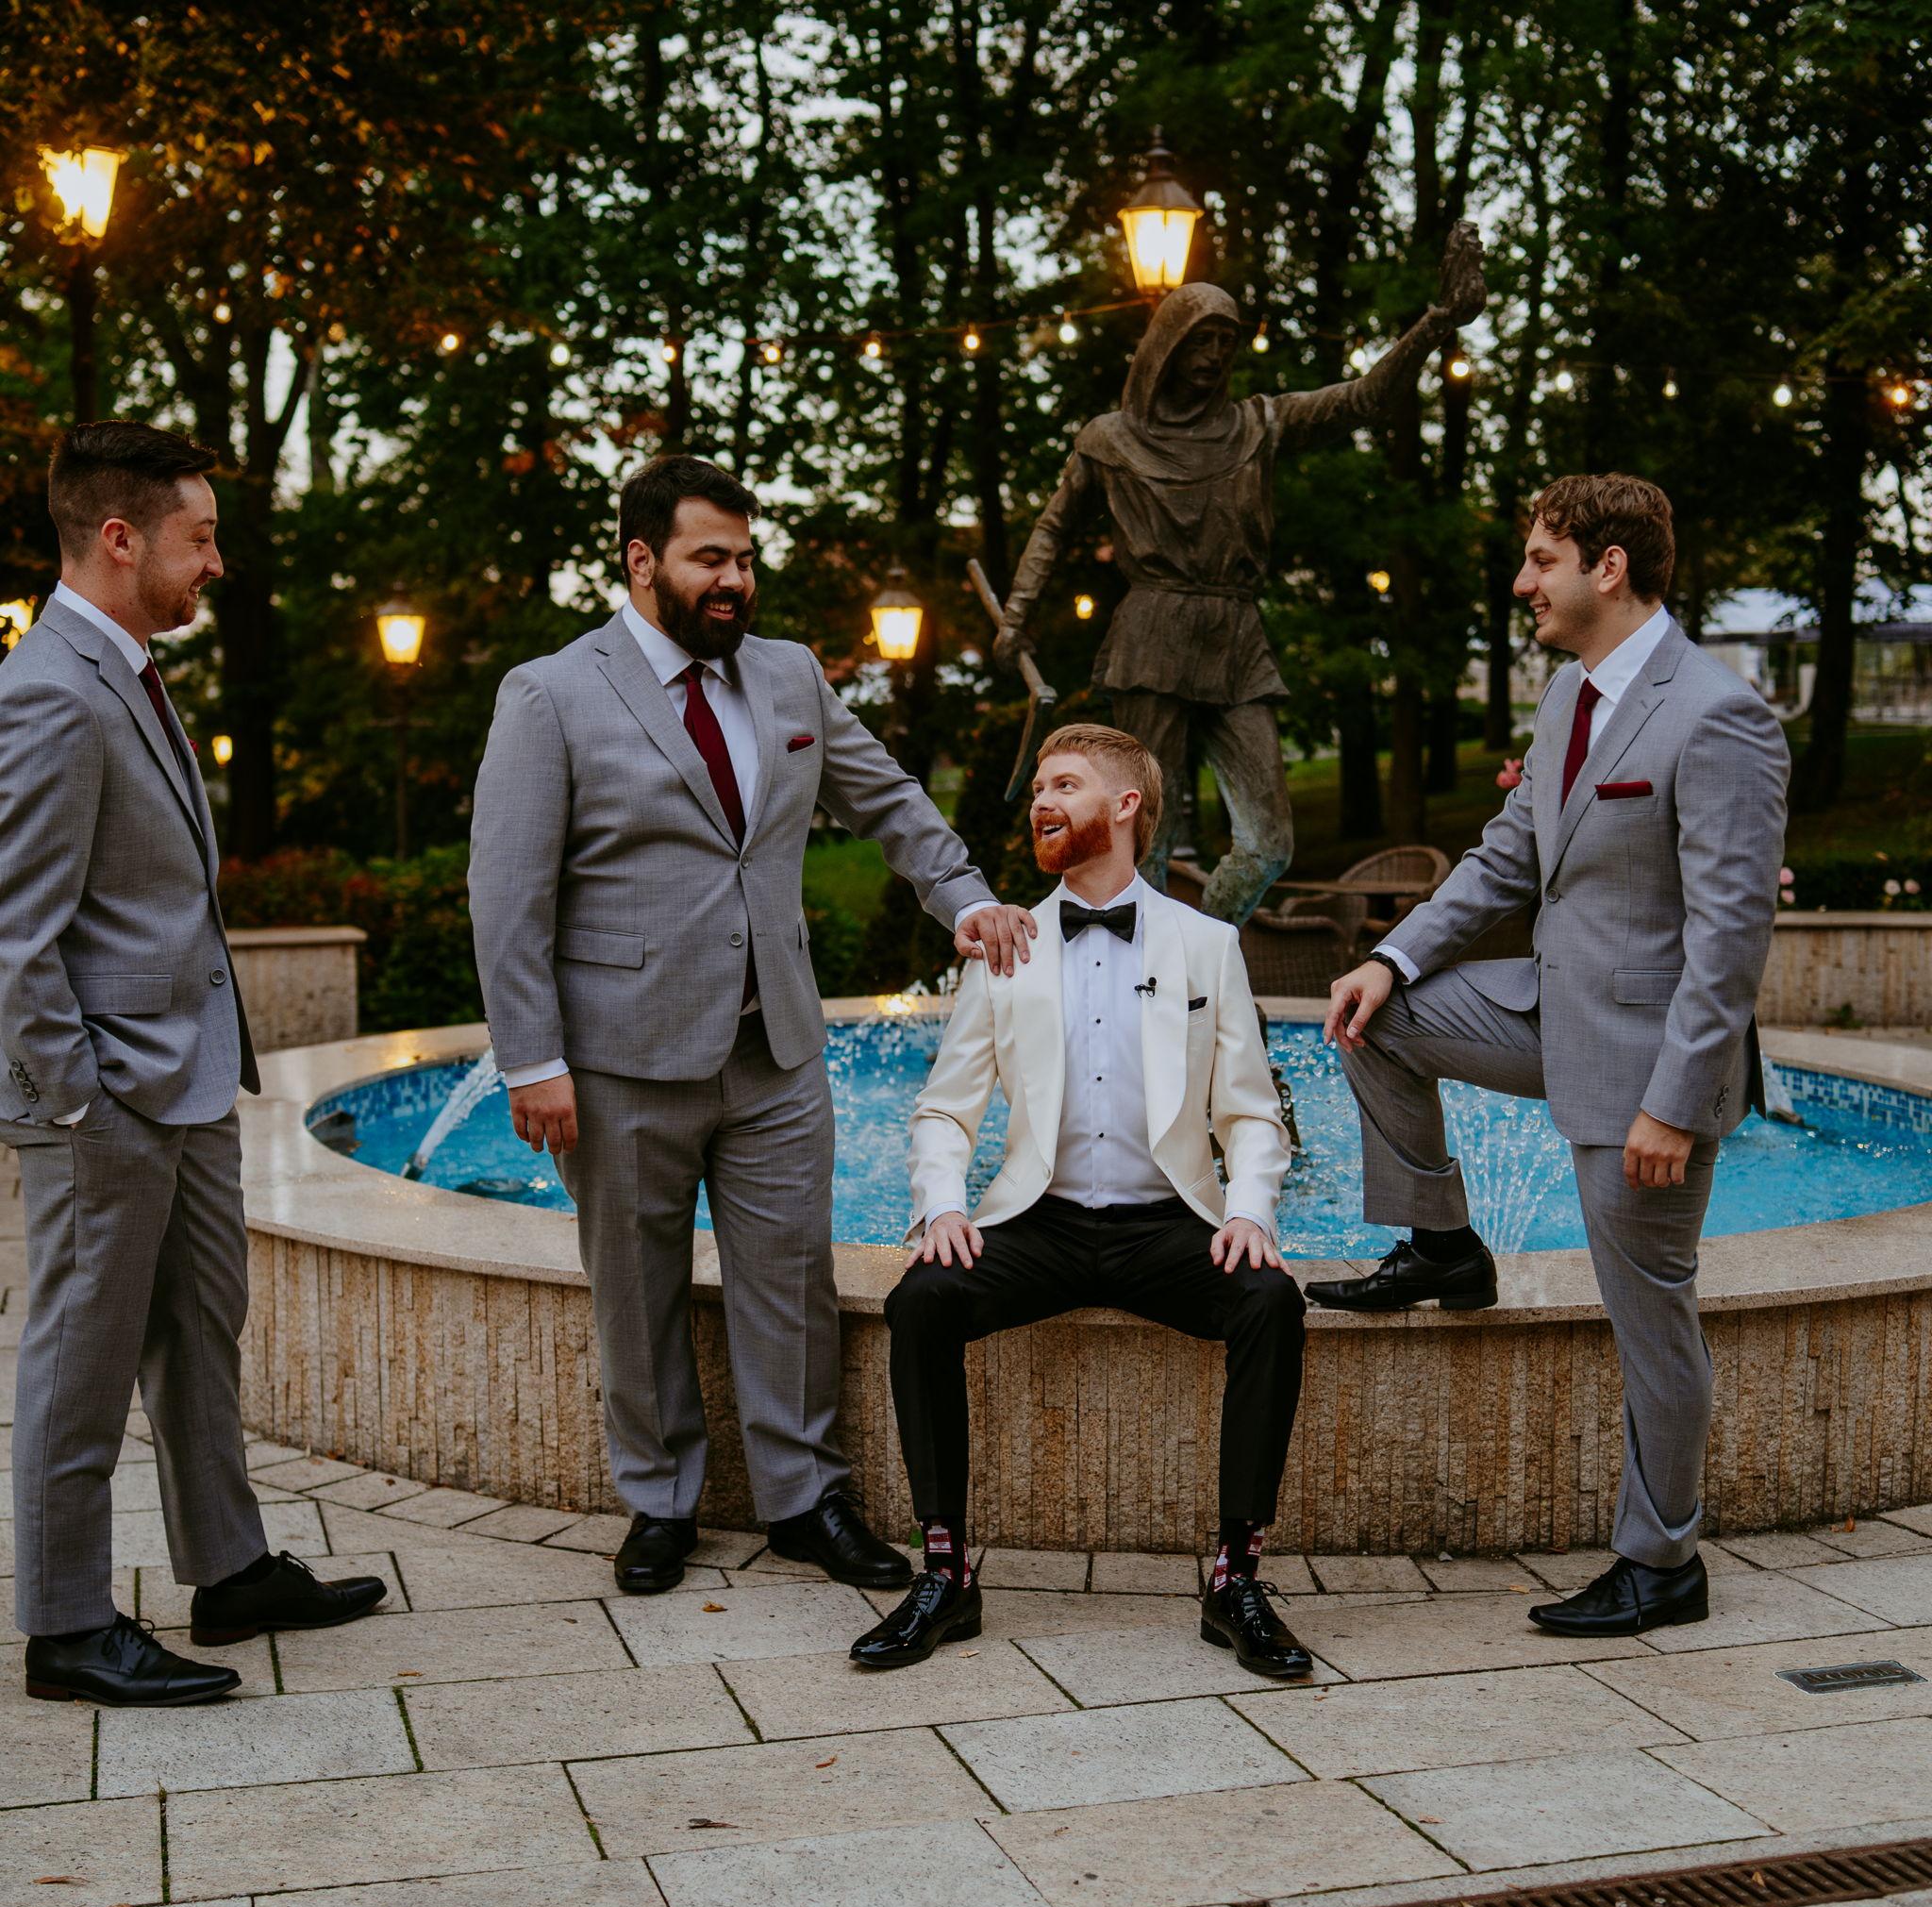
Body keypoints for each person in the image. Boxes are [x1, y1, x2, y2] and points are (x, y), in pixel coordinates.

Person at [470, 454, 1036, 1597]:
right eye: (708, 559)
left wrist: (964, 897)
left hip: (773, 1047)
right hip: (619, 1060)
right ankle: (659, 1501)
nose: (734, 579)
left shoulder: (787, 674)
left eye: (743, 558)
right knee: (635, 1289)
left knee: (790, 1279)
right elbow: (507, 889)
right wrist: (531, 1058)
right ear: (641, 561)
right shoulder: (550, 692)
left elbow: (885, 795)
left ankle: (804, 1498)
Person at [1310, 473, 1789, 1637]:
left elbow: (1729, 936)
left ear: (1605, 566)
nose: (1522, 581)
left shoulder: (1716, 714)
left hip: (1647, 1063)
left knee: (1648, 1315)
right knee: (1372, 1020)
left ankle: (1660, 1561)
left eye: (1539, 559)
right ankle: (1440, 1243)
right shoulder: (1568, 693)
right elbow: (1502, 860)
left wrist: (1673, 1103)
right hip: (1546, 1007)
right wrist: (1390, 957)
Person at [0, 423, 385, 1707]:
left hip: (184, 1078)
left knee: (199, 1325)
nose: (216, 562)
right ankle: (66, 1626)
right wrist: (80, 1101)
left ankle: (228, 1570)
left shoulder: (127, 671)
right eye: (200, 537)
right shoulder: (51, 689)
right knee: (81, 1358)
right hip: (104, 1098)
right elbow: (15, 933)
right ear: (121, 539)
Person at [850, 724, 1308, 1677]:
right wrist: (943, 1206)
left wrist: (1249, 1211)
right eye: (1036, 791)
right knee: (921, 1298)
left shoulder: (1208, 944)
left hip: (1170, 1224)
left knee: (1269, 1300)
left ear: (1126, 804)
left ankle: (1235, 1577)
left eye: (1063, 784)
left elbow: (1250, 1112)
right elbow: (945, 1108)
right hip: (1041, 1223)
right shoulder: (1004, 945)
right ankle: (945, 1572)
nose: (1041, 802)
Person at [991, 224, 1487, 925]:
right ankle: (1146, 970)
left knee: (1269, 842)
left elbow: (1364, 398)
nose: (1214, 356)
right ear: (1167, 347)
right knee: (1143, 833)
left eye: (1226, 342)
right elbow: (1052, 527)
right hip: (1153, 632)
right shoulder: (1111, 440)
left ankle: (1201, 948)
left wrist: (1437, 323)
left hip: (1236, 636)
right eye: (1202, 340)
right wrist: (1016, 615)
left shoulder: (1259, 425)